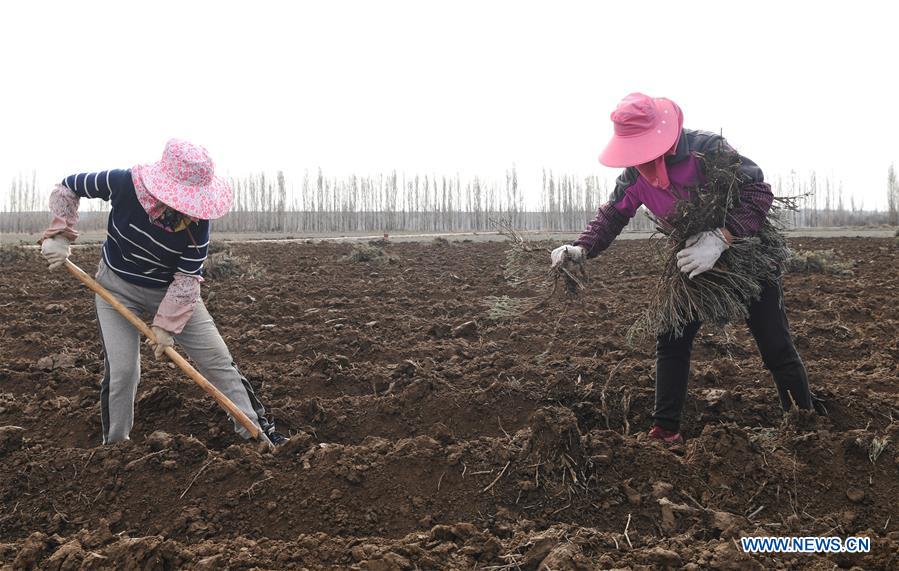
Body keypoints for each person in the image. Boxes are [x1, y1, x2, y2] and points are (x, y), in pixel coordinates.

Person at [551, 93, 824, 444]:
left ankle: (804, 425)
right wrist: (581, 247)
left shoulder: (707, 150)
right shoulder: (634, 175)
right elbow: (614, 214)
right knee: (672, 339)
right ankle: (665, 430)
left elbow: (758, 193)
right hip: (692, 258)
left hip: (747, 255)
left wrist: (723, 236)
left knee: (775, 345)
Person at [40, 139, 287, 446]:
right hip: (116, 287)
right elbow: (68, 186)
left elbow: (186, 279)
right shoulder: (123, 183)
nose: (189, 209)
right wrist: (60, 234)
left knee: (218, 360)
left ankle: (259, 435)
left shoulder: (198, 225)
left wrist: (166, 326)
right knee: (123, 372)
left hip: (169, 291)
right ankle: (115, 448)